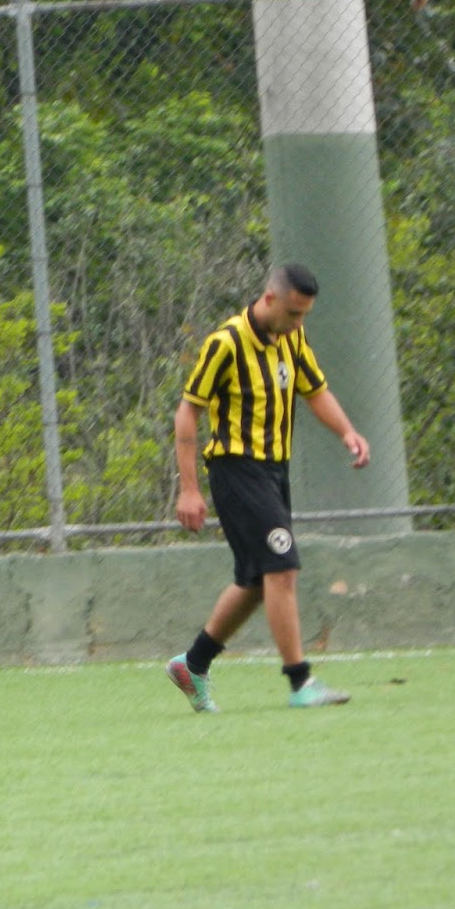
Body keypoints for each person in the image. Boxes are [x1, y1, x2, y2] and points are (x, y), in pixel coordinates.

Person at [167, 263, 370, 712]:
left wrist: (347, 432)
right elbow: (188, 412)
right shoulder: (226, 343)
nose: (299, 323)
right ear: (270, 298)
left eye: (305, 315)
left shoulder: (292, 338)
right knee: (282, 567)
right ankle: (300, 681)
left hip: (274, 472)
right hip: (236, 469)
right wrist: (189, 489)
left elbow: (315, 391)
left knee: (258, 580)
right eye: (294, 313)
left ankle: (193, 664)